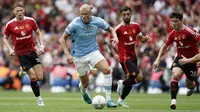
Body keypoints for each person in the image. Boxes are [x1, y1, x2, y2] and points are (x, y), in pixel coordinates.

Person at [59, 4, 118, 108]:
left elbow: (111, 29)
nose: (83, 16)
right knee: (85, 84)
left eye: (86, 14)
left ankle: (108, 100)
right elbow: (62, 39)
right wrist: (67, 54)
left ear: (90, 13)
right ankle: (82, 89)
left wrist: (115, 37)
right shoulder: (75, 23)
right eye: (81, 14)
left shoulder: (97, 21)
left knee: (107, 70)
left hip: (93, 52)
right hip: (78, 56)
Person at [153, 12, 200, 110]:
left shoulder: (189, 32)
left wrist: (190, 60)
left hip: (192, 60)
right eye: (172, 21)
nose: (173, 24)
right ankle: (173, 101)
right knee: (175, 75)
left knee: (189, 84)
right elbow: (164, 47)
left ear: (181, 21)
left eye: (176, 21)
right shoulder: (173, 33)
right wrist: (157, 59)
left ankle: (192, 87)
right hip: (180, 58)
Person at [3, 2, 45, 106]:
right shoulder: (10, 24)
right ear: (14, 12)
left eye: (21, 10)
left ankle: (23, 70)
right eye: (17, 11)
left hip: (32, 52)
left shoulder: (31, 21)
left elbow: (38, 33)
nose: (19, 12)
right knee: (33, 77)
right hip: (21, 54)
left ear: (24, 11)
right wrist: (10, 49)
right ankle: (39, 99)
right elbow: (5, 38)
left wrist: (42, 45)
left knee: (40, 78)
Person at [112, 6, 151, 107]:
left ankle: (121, 100)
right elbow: (108, 42)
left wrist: (145, 38)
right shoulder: (118, 29)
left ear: (131, 14)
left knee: (134, 79)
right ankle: (121, 83)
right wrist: (114, 53)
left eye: (128, 14)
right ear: (121, 15)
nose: (126, 16)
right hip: (124, 58)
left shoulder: (136, 26)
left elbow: (141, 39)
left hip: (133, 57)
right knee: (140, 77)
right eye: (124, 15)